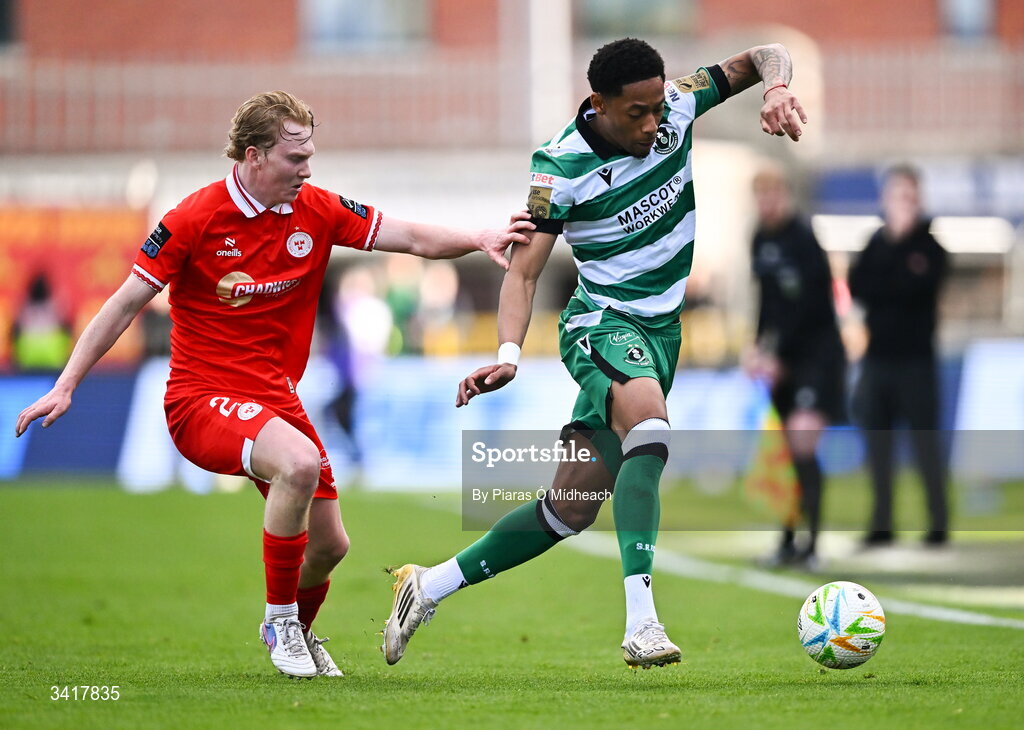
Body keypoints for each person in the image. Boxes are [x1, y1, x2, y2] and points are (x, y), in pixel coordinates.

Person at [14, 91, 533, 679]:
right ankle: (281, 623)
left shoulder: (316, 208)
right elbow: (125, 302)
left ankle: (300, 632)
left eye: (311, 155)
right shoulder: (191, 219)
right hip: (200, 399)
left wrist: (480, 237)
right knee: (299, 462)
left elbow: (410, 237)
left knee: (330, 546)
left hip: (274, 399)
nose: (307, 169)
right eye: (295, 158)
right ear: (255, 156)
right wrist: (66, 385)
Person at [382, 38, 808, 669]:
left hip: (661, 333)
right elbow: (523, 275)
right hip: (602, 324)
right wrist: (508, 351)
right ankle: (643, 623)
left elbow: (766, 52)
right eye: (636, 112)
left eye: (657, 106)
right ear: (599, 104)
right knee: (651, 428)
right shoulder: (560, 168)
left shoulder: (680, 105)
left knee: (569, 509)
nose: (652, 122)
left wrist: (775, 86)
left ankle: (428, 584)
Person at [744, 166, 846, 570]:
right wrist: (757, 347)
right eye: (761, 196)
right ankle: (787, 540)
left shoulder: (802, 238)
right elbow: (767, 303)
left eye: (773, 195)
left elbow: (810, 308)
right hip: (782, 359)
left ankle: (813, 545)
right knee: (785, 450)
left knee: (804, 441)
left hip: (816, 356)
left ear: (786, 196)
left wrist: (776, 352)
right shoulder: (759, 238)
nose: (767, 203)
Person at [848, 164, 949, 547]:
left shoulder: (930, 247)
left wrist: (891, 281)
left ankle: (938, 523)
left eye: (909, 196)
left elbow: (916, 289)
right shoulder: (876, 243)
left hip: (917, 362)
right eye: (896, 196)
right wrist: (895, 276)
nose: (902, 204)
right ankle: (882, 523)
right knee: (878, 447)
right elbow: (860, 286)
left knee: (925, 446)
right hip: (878, 360)